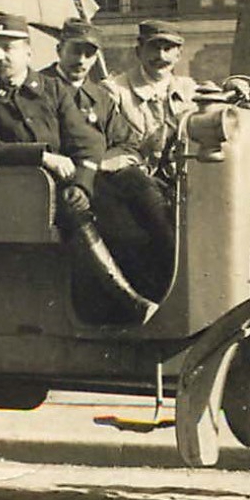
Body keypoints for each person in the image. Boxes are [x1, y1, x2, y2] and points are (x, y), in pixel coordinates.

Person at [0, 13, 154, 318]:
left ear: (27, 52)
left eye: (7, 48)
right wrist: (42, 155)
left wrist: (82, 184)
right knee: (78, 216)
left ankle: (144, 293)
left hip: (68, 185)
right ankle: (126, 300)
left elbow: (87, 142)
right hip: (19, 191)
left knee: (125, 221)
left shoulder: (52, 89)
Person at [45, 18, 175, 298]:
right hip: (67, 186)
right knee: (130, 234)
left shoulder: (97, 95)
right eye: (75, 50)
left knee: (157, 204)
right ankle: (142, 296)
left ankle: (167, 284)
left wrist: (111, 161)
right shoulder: (43, 88)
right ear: (59, 50)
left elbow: (125, 140)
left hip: (104, 179)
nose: (81, 60)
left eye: (89, 53)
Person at [104, 19, 198, 179]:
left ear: (179, 55)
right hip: (133, 181)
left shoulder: (189, 89)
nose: (160, 56)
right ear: (139, 51)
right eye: (153, 48)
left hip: (179, 178)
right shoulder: (115, 89)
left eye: (167, 49)